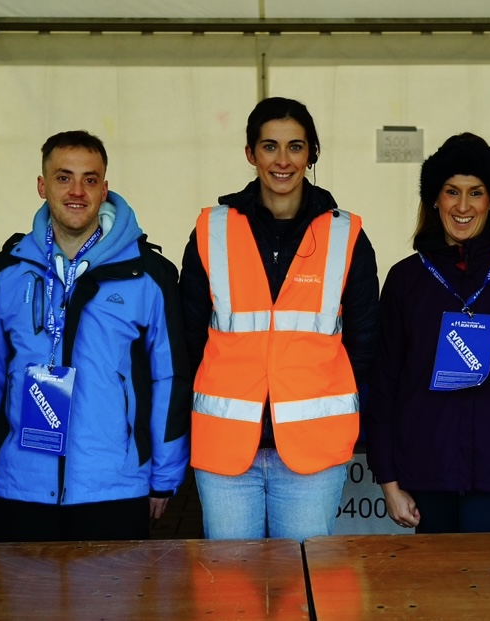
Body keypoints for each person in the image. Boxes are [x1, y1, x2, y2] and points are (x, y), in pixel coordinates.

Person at [179, 97, 379, 542]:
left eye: (295, 146)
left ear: (312, 154)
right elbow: (188, 336)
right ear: (251, 154)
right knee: (229, 595)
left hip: (312, 452)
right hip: (227, 450)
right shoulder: (212, 230)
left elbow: (365, 343)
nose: (283, 160)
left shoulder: (346, 235)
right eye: (270, 147)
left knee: (305, 590)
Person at [0, 130, 190, 542]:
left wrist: (164, 475)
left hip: (114, 485)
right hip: (22, 484)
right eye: (63, 177)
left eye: (90, 179)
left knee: (110, 606)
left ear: (105, 188)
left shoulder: (148, 274)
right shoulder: (6, 272)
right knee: (25, 606)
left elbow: (170, 378)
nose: (77, 191)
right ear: (42, 186)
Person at [364, 133, 490, 534]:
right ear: (435, 199)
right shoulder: (406, 279)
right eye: (452, 191)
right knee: (432, 595)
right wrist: (388, 479)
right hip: (426, 478)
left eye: (477, 192)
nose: (463, 206)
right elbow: (384, 383)